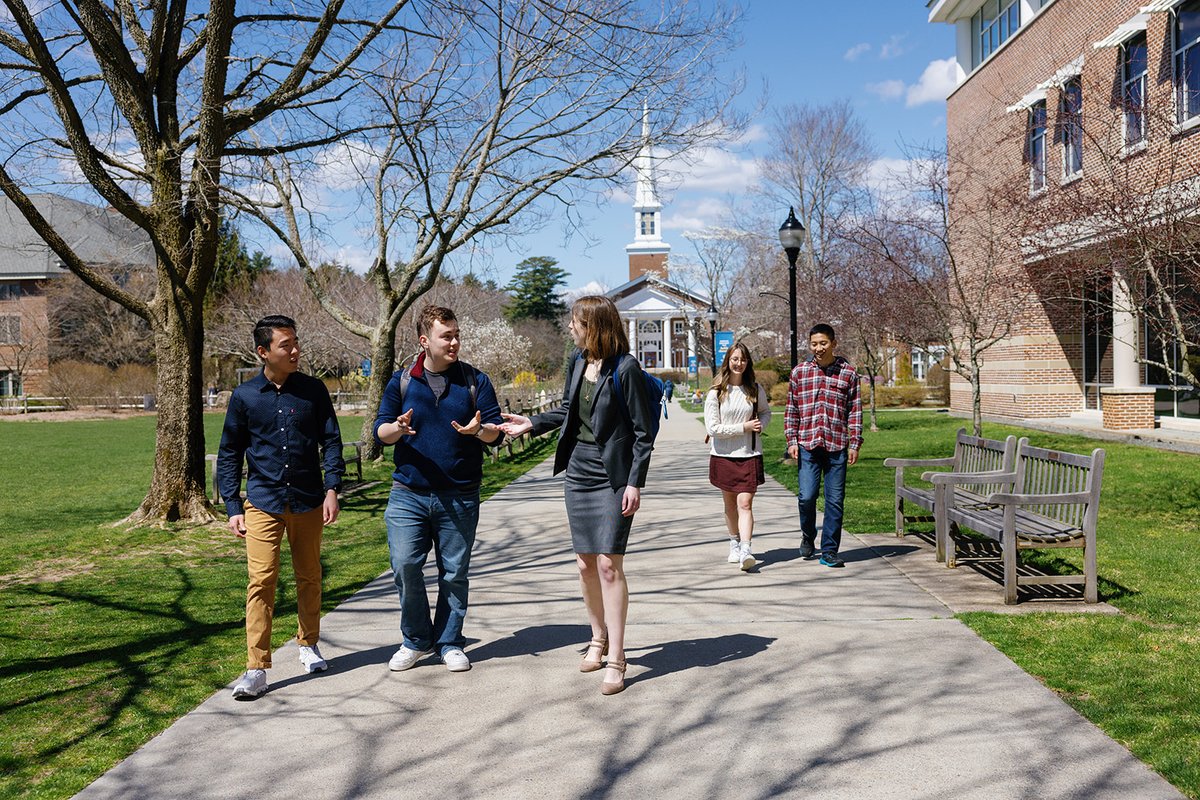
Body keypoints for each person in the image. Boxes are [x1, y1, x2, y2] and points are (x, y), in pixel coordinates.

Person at [499, 295, 654, 696]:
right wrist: (532, 423)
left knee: (608, 565)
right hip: (579, 472)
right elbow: (569, 411)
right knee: (585, 564)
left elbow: (643, 433)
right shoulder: (577, 360)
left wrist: (635, 482)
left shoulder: (626, 368)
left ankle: (617, 656)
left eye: (575, 322)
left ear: (594, 326)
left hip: (613, 475)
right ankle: (597, 637)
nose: (570, 327)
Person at [218, 315, 345, 699]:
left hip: (308, 501)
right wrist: (232, 505)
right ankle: (256, 668)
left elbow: (332, 441)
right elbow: (229, 452)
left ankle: (309, 644)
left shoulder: (313, 390)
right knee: (261, 581)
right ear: (263, 351)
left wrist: (332, 488)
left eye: (295, 343)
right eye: (285, 345)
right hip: (262, 503)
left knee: (310, 576)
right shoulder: (245, 397)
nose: (295, 350)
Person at [374, 305, 504, 674]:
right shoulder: (402, 381)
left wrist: (478, 430)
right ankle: (416, 640)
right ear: (424, 340)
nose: (454, 342)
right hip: (408, 494)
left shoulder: (475, 381)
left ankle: (449, 642)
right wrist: (398, 428)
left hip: (459, 495)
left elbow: (496, 433)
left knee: (454, 573)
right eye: (446, 336)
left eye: (456, 335)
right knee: (404, 565)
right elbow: (381, 432)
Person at [785, 323, 863, 568]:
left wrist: (855, 442)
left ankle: (829, 551)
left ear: (833, 344)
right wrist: (791, 440)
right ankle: (808, 534)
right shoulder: (799, 372)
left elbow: (855, 411)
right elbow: (791, 409)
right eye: (814, 344)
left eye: (823, 343)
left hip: (837, 445)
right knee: (806, 497)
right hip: (808, 444)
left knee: (835, 500)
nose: (818, 348)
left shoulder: (848, 373)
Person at [704, 342, 771, 571]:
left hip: (749, 454)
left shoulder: (754, 389)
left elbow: (765, 413)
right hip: (723, 455)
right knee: (730, 504)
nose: (738, 363)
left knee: (745, 503)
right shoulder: (716, 393)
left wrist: (761, 425)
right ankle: (734, 542)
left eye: (742, 359)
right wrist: (744, 427)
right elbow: (713, 428)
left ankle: (746, 549)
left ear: (747, 362)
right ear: (728, 361)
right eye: (735, 359)